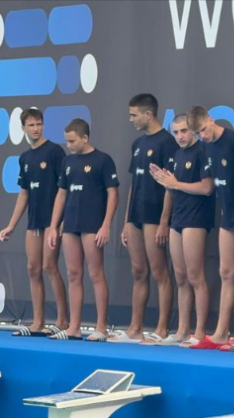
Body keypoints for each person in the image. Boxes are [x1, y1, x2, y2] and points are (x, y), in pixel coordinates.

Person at [185, 105, 234, 349]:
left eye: (204, 129)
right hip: (227, 213)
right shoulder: (206, 147)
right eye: (198, 133)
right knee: (226, 272)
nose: (203, 135)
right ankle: (221, 332)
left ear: (211, 120)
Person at [113, 94, 177, 344]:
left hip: (154, 215)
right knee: (138, 271)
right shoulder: (137, 143)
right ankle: (135, 328)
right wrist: (127, 220)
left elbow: (170, 186)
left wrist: (164, 221)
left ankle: (161, 329)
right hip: (136, 215)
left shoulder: (167, 142)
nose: (130, 119)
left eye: (134, 115)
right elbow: (134, 183)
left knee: (160, 272)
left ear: (148, 114)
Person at [48, 119, 119, 342]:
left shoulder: (103, 160)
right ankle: (74, 327)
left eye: (72, 141)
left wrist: (106, 224)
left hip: (93, 224)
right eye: (66, 141)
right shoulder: (67, 161)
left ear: (85, 138)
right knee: (73, 274)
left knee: (95, 273)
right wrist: (54, 225)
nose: (68, 145)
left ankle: (101, 327)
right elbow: (61, 194)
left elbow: (113, 194)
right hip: (71, 224)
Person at [149, 114, 216, 347]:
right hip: (177, 217)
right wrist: (164, 218)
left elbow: (207, 188)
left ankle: (200, 332)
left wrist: (175, 184)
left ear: (193, 130)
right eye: (176, 132)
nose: (180, 136)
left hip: (196, 217)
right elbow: (171, 189)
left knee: (195, 275)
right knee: (180, 276)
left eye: (184, 131)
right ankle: (182, 330)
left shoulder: (203, 151)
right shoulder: (177, 155)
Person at [1, 108, 68, 337]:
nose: (36, 128)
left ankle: (62, 320)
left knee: (50, 266)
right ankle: (38, 321)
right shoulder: (25, 158)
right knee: (33, 268)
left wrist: (59, 221)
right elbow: (24, 193)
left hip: (52, 221)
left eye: (39, 124)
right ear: (23, 128)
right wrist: (11, 225)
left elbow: (64, 188)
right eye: (31, 125)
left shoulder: (55, 151)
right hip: (34, 221)